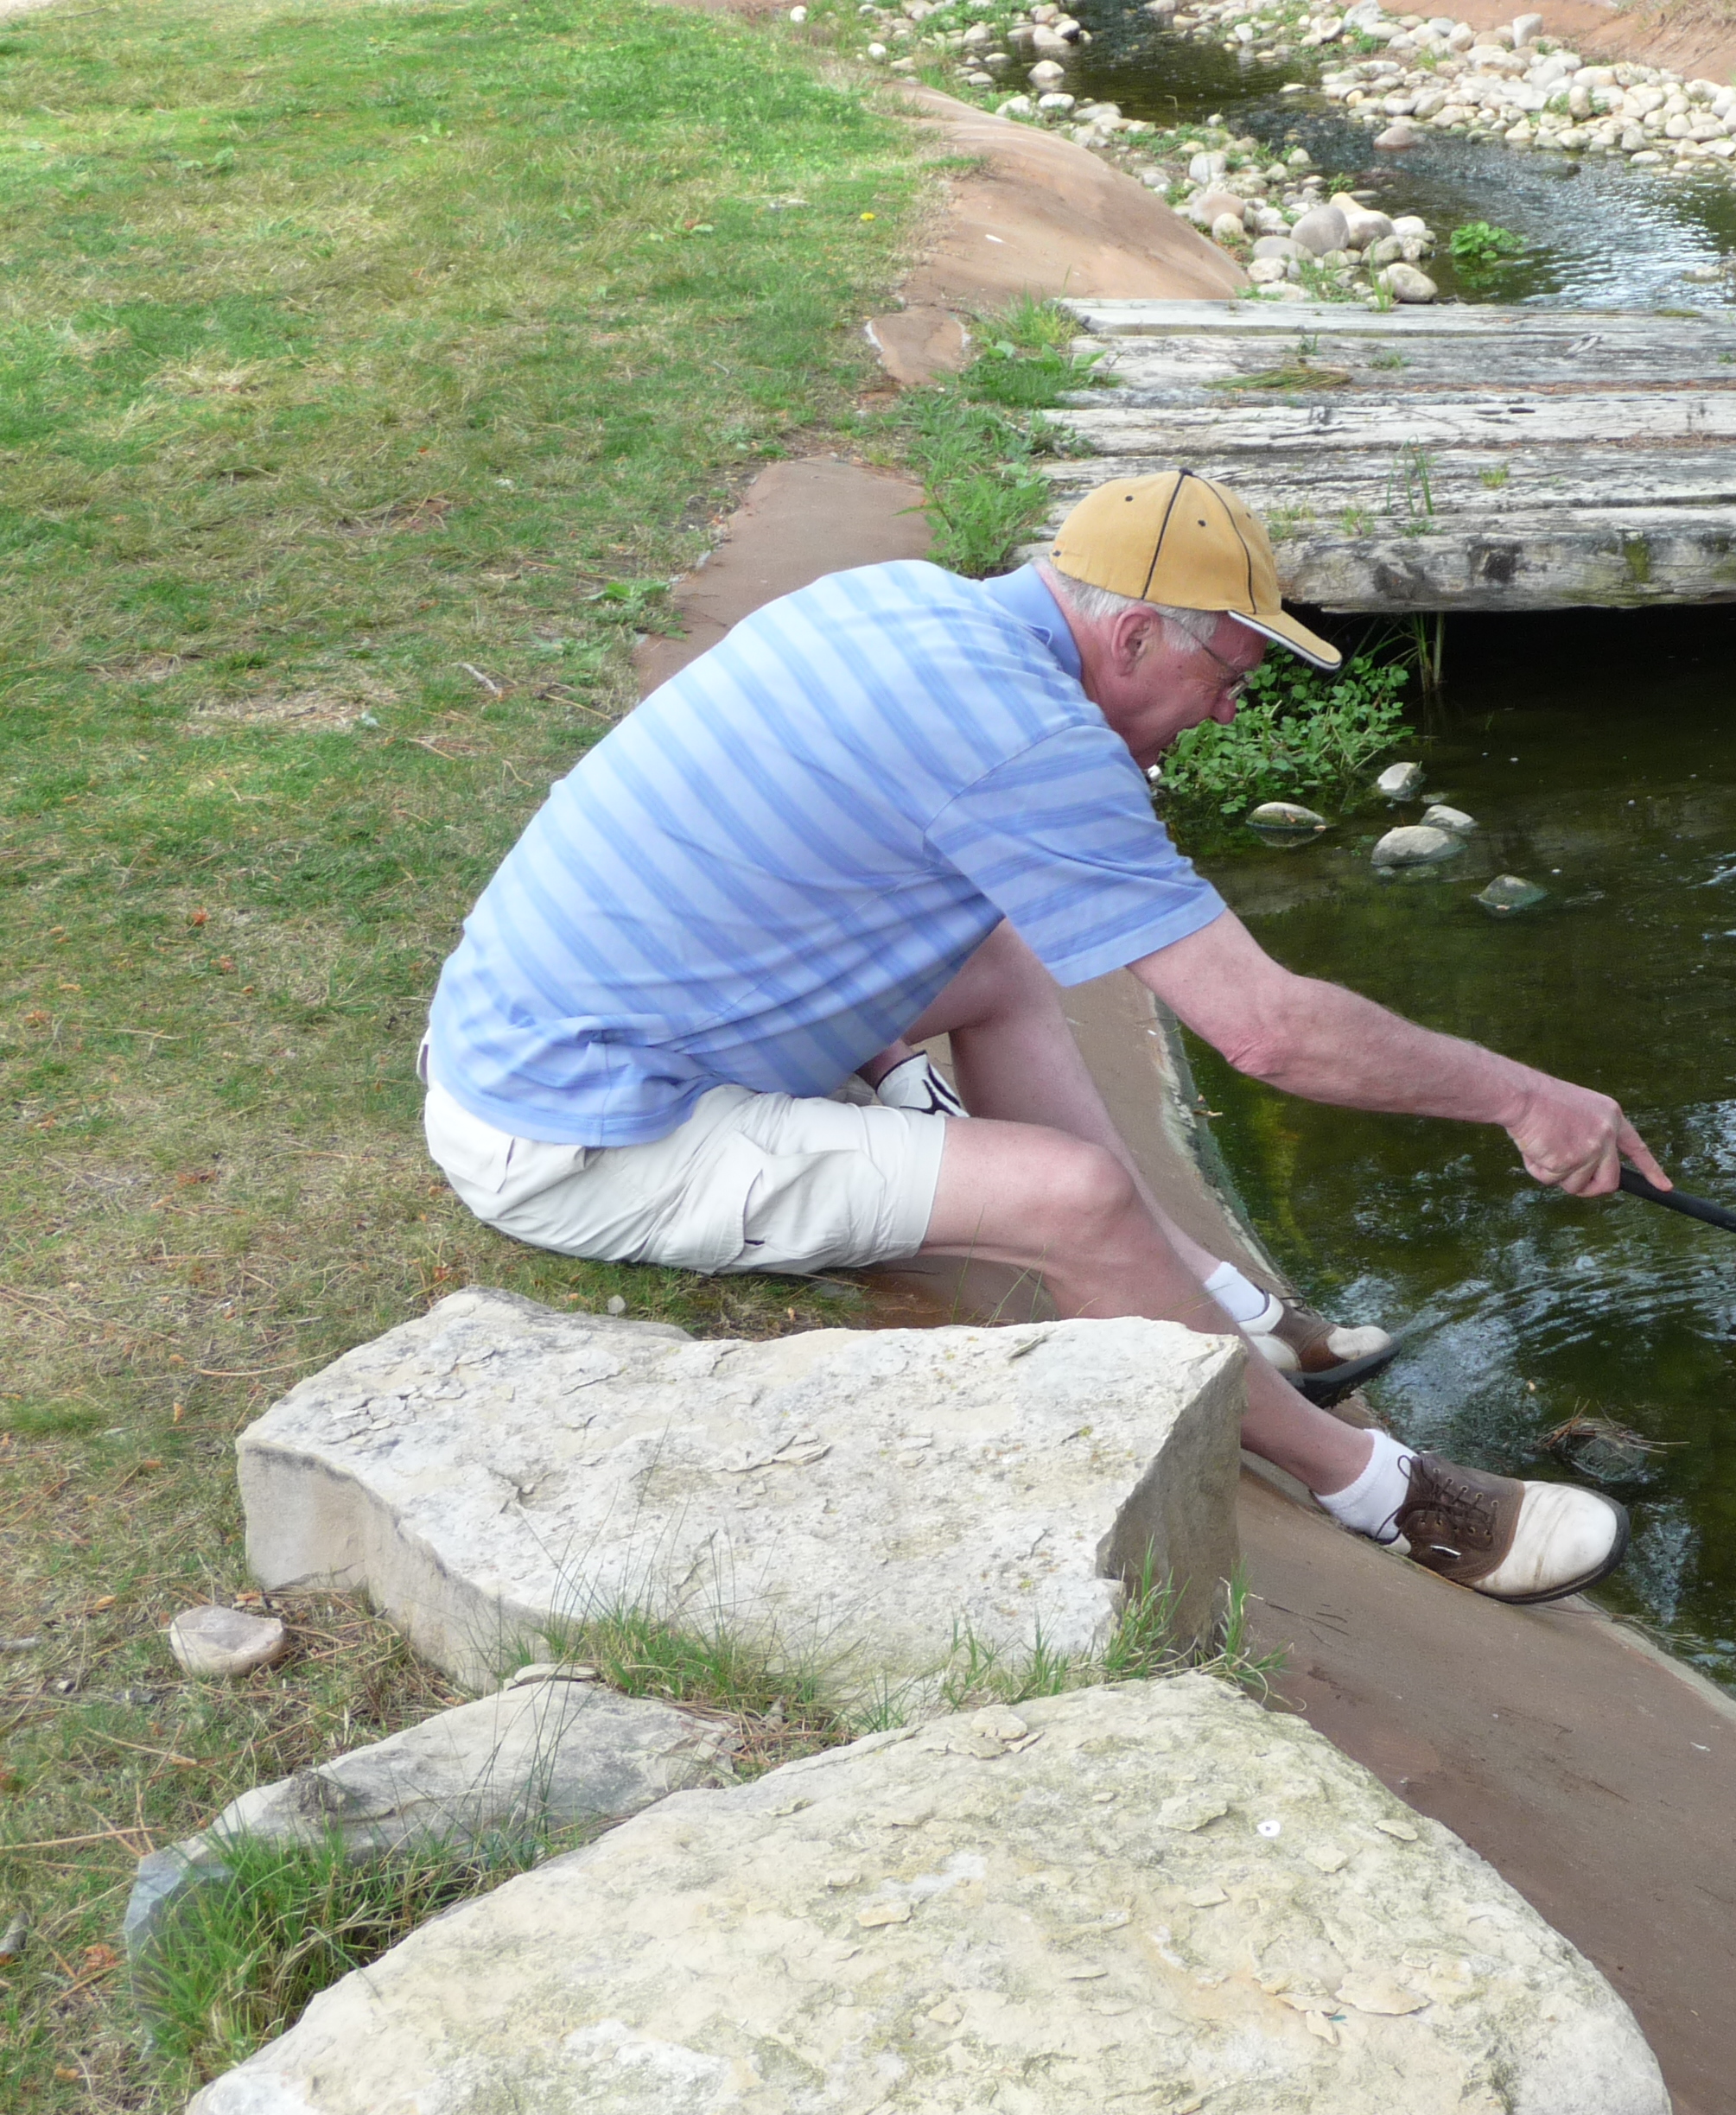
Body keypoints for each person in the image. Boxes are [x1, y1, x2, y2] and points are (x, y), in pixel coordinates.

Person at [419, 468, 1668, 1604]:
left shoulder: (906, 603)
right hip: (578, 1138)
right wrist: (1524, 1098)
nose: (1229, 715)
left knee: (1001, 966)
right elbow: (1269, 1035)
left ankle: (1220, 1297)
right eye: (1227, 678)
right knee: (1070, 1198)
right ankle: (1379, 1493)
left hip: (532, 1033)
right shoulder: (1028, 740)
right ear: (1132, 635)